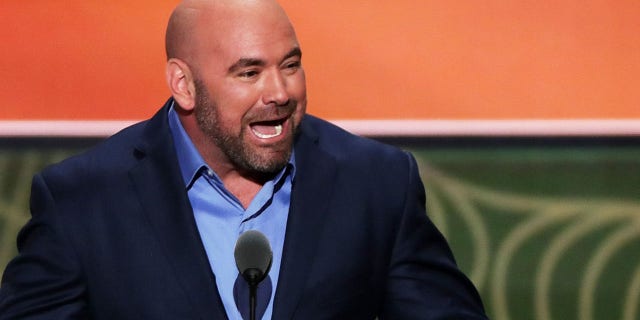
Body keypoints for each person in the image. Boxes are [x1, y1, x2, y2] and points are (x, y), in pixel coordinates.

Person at [0, 0, 488, 319]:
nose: (279, 92)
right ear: (184, 85)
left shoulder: (376, 184)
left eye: (291, 65)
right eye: (248, 72)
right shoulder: (82, 202)